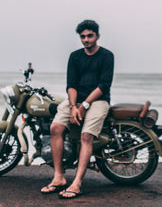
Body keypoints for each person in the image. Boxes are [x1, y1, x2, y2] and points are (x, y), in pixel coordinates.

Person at [40, 19, 114, 199]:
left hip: (98, 100)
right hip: (75, 100)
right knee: (55, 128)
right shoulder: (75, 56)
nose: (86, 40)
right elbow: (71, 85)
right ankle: (58, 177)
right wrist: (74, 107)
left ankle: (77, 182)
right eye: (83, 37)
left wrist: (85, 106)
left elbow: (103, 85)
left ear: (97, 36)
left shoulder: (107, 56)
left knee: (86, 136)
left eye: (90, 36)